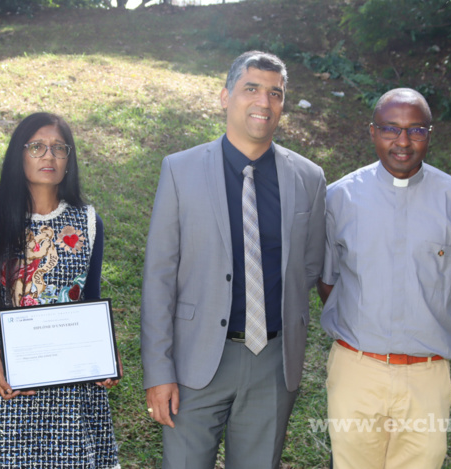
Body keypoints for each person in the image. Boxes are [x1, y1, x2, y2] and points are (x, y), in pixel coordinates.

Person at [140, 51, 326, 468]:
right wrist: (158, 372)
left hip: (272, 366)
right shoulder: (179, 171)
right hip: (194, 362)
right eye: (251, 89)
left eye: (275, 93)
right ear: (226, 97)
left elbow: (309, 268)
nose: (264, 102)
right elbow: (158, 279)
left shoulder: (309, 179)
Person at [318, 88, 451, 469]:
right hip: (356, 370)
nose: (402, 141)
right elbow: (328, 281)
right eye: (390, 129)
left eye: (416, 130)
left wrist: (427, 328)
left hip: (427, 376)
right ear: (372, 132)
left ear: (430, 134)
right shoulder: (339, 198)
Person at [0, 112, 120, 468]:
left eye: (59, 147)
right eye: (36, 146)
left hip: (72, 391)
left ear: (69, 159)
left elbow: (89, 298)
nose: (49, 156)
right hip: (11, 379)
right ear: (18, 155)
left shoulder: (87, 222)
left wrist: (105, 357)